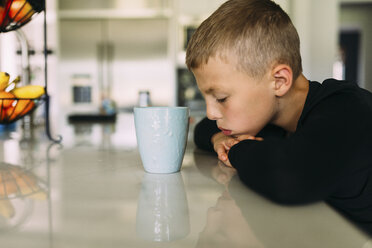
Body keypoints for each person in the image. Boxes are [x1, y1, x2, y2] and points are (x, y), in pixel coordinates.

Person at [186, 0, 372, 233]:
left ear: (279, 81)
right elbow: (204, 129)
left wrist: (235, 149)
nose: (212, 113)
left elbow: (289, 178)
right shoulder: (268, 119)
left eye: (221, 98)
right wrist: (219, 139)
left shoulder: (347, 110)